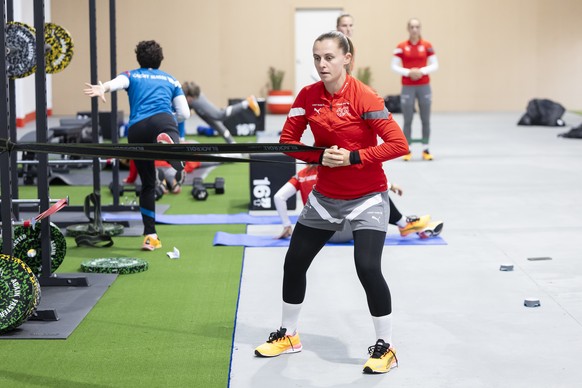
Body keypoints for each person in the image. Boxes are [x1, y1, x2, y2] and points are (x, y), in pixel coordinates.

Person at [254, 31, 409, 374]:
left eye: (329, 57)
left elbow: (399, 144)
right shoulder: (308, 96)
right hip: (325, 198)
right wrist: (319, 156)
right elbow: (288, 142)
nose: (322, 64)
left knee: (367, 268)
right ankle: (290, 335)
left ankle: (386, 347)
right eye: (317, 58)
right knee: (294, 263)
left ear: (347, 58)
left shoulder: (365, 97)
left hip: (367, 198)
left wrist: (353, 157)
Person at [83, 40, 190, 251]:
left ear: (138, 59)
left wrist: (102, 88)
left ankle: (150, 236)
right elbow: (185, 114)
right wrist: (170, 120)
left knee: (148, 184)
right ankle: (170, 149)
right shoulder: (171, 79)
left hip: (137, 129)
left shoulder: (131, 75)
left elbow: (116, 83)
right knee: (169, 130)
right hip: (162, 120)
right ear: (161, 60)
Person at [273, 165, 441, 240]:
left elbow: (278, 197)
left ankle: (406, 224)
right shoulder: (334, 171)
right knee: (372, 196)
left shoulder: (301, 174)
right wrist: (390, 186)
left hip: (317, 235)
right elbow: (369, 184)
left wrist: (287, 225)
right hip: (344, 231)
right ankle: (404, 224)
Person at [391, 18, 439, 161]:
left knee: (425, 118)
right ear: (408, 28)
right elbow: (393, 66)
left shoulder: (426, 45)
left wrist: (421, 71)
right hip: (407, 87)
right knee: (407, 118)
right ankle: (407, 149)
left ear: (420, 28)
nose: (414, 29)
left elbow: (435, 65)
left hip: (424, 86)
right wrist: (408, 72)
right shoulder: (401, 46)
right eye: (412, 27)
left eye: (417, 27)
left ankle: (426, 149)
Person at [181, 81, 260, 144]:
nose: (192, 100)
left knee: (219, 115)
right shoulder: (183, 97)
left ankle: (247, 102)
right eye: (192, 99)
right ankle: (232, 144)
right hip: (188, 96)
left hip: (193, 95)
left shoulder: (192, 99)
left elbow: (181, 116)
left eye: (192, 99)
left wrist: (181, 138)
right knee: (213, 122)